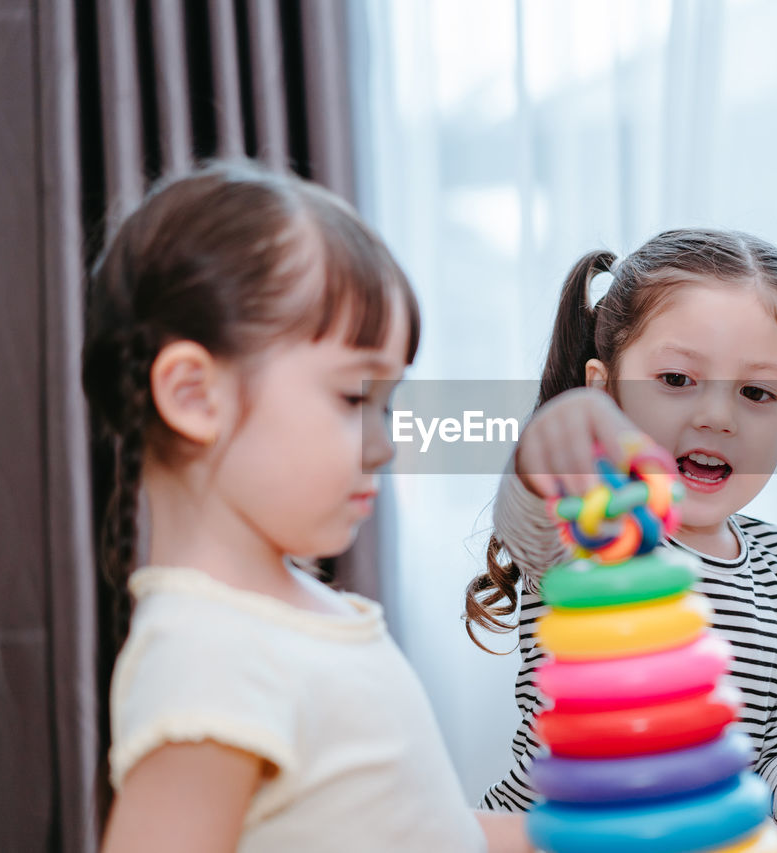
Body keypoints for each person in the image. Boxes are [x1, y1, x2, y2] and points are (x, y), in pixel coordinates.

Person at [84, 161, 529, 853]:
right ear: (195, 396)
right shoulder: (208, 653)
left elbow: (426, 833)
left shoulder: (304, 618)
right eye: (355, 399)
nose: (383, 444)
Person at [465, 228, 777, 844]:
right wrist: (560, 434)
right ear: (605, 390)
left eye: (757, 393)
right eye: (676, 380)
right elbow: (527, 513)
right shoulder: (591, 529)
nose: (716, 416)